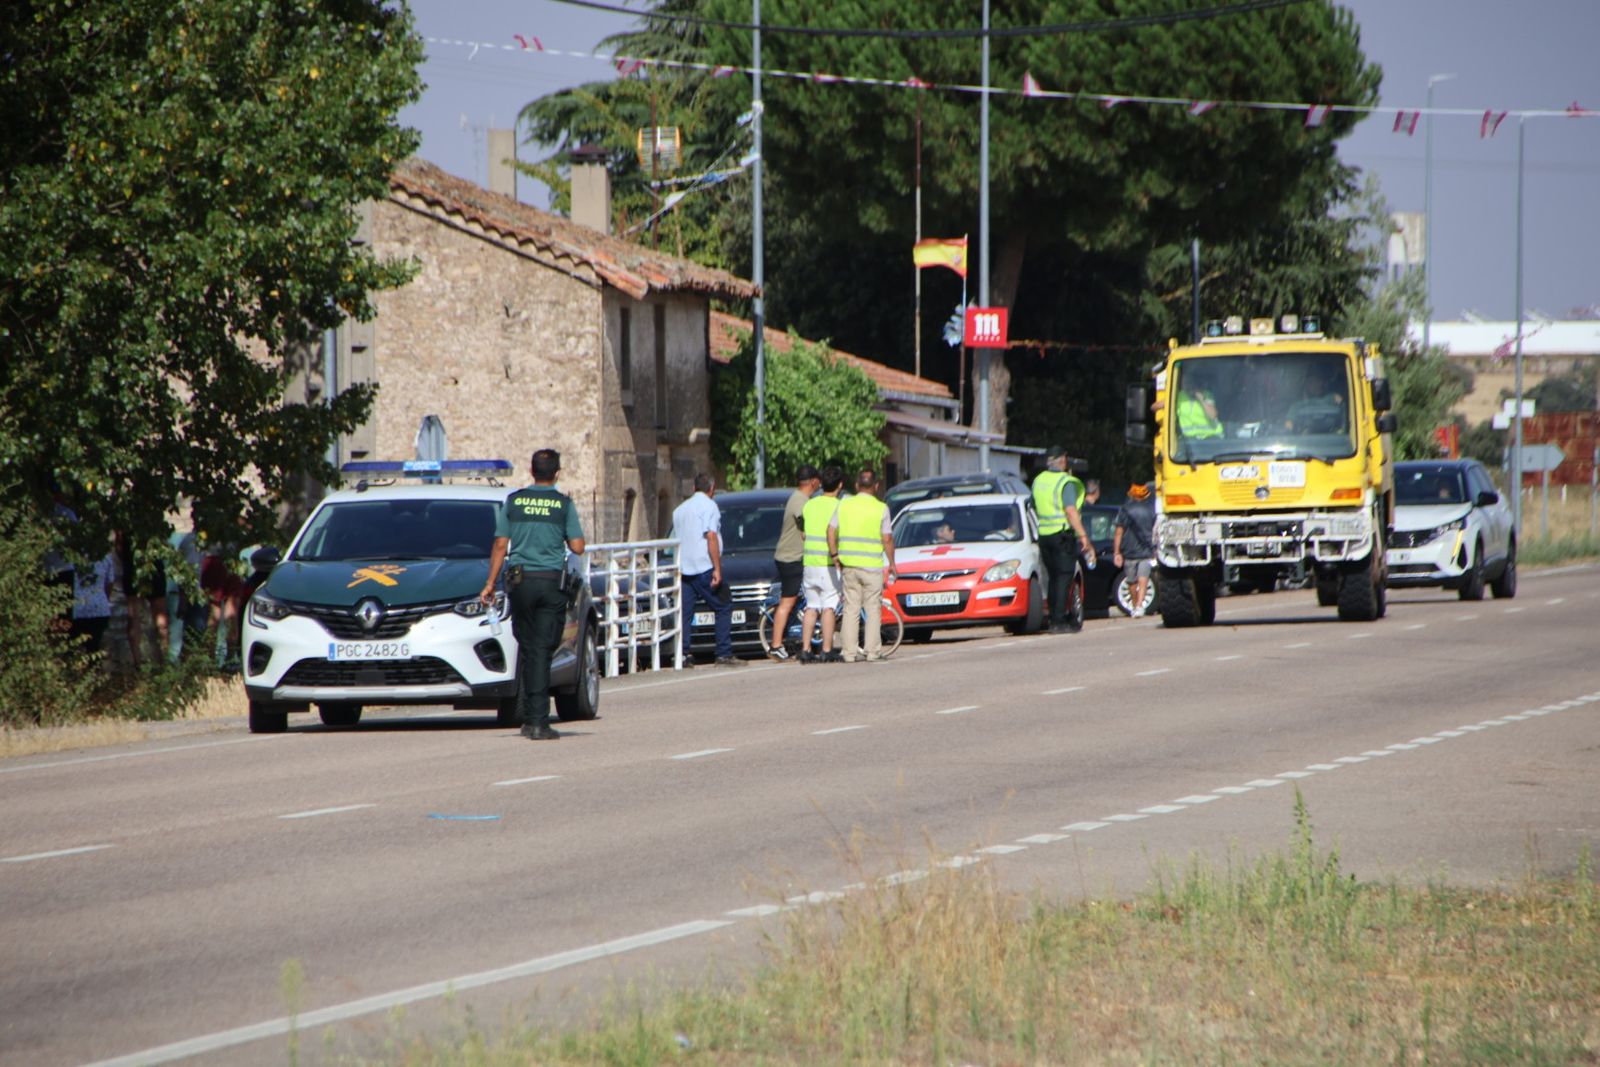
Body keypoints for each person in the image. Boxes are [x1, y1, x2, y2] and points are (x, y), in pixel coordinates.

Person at [481, 448, 587, 740]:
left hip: (520, 584)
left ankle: (530, 717)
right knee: (543, 648)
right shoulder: (563, 505)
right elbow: (578, 546)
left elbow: (501, 546)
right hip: (551, 583)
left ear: (531, 471)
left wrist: (490, 583)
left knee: (529, 648)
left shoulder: (514, 502)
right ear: (557, 473)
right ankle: (538, 721)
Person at [672, 473, 743, 668]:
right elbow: (711, 536)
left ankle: (683, 654)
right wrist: (717, 568)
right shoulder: (710, 506)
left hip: (684, 568)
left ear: (694, 488)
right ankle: (723, 653)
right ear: (711, 489)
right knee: (723, 605)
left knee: (685, 612)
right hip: (704, 565)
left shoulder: (679, 510)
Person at [829, 469, 897, 662]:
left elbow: (830, 530)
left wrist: (835, 555)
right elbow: (887, 538)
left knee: (851, 609)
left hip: (848, 565)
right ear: (876, 486)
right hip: (872, 567)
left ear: (857, 486)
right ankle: (872, 651)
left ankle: (849, 652)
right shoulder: (881, 508)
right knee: (873, 609)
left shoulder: (844, 504)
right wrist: (892, 563)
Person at [1032, 446, 1094, 634]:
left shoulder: (1038, 480)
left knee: (1054, 578)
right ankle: (1058, 620)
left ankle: (1054, 617)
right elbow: (1070, 510)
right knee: (1064, 577)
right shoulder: (1064, 482)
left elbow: (1033, 505)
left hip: (1044, 535)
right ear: (1062, 461)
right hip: (1061, 535)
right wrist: (1083, 536)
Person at [768, 463, 819, 661]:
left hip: (792, 556)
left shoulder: (799, 498)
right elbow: (806, 529)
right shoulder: (800, 502)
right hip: (790, 557)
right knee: (787, 601)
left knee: (797, 599)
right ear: (813, 482)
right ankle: (776, 645)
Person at [798, 466, 845, 663]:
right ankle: (826, 649)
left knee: (811, 607)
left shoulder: (809, 505)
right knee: (829, 607)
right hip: (827, 562)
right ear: (840, 485)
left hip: (809, 562)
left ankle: (806, 649)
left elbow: (803, 531)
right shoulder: (839, 506)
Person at [1113, 482, 1157, 618]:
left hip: (1129, 551)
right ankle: (1138, 605)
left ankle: (1135, 605)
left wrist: (1117, 552)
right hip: (1146, 550)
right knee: (1143, 579)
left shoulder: (1124, 510)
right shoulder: (1152, 511)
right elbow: (1156, 532)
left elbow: (1118, 532)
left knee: (1132, 581)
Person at [1285, 365, 1347, 433]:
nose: (1321, 383)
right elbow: (1289, 427)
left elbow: (1344, 418)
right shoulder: (1294, 405)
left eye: (1321, 380)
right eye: (1317, 380)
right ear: (1307, 383)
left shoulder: (1331, 398)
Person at [1176, 372, 1223, 439]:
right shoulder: (1180, 396)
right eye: (1185, 383)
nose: (1187, 385)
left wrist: (1201, 398)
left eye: (1189, 383)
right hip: (1189, 440)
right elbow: (1156, 406)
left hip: (1212, 437)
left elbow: (1213, 415)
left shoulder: (1207, 395)